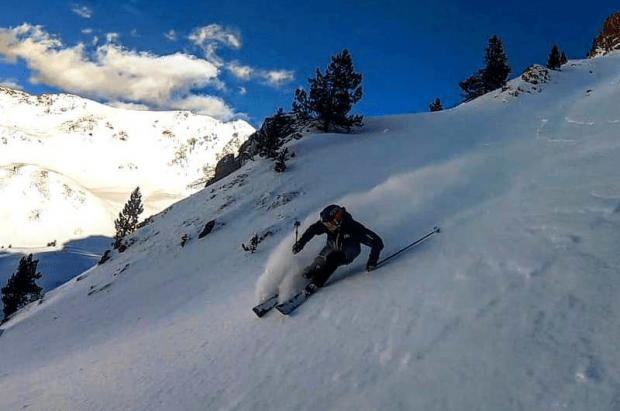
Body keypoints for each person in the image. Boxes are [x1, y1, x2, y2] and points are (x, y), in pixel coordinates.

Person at [292, 204, 384, 291]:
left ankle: (316, 283)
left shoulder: (353, 228)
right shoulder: (328, 225)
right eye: (326, 224)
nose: (328, 226)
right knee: (319, 261)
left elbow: (377, 242)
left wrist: (372, 262)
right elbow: (312, 230)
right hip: (331, 247)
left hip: (348, 252)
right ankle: (307, 275)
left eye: (330, 223)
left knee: (332, 259)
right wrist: (300, 244)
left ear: (337, 219)